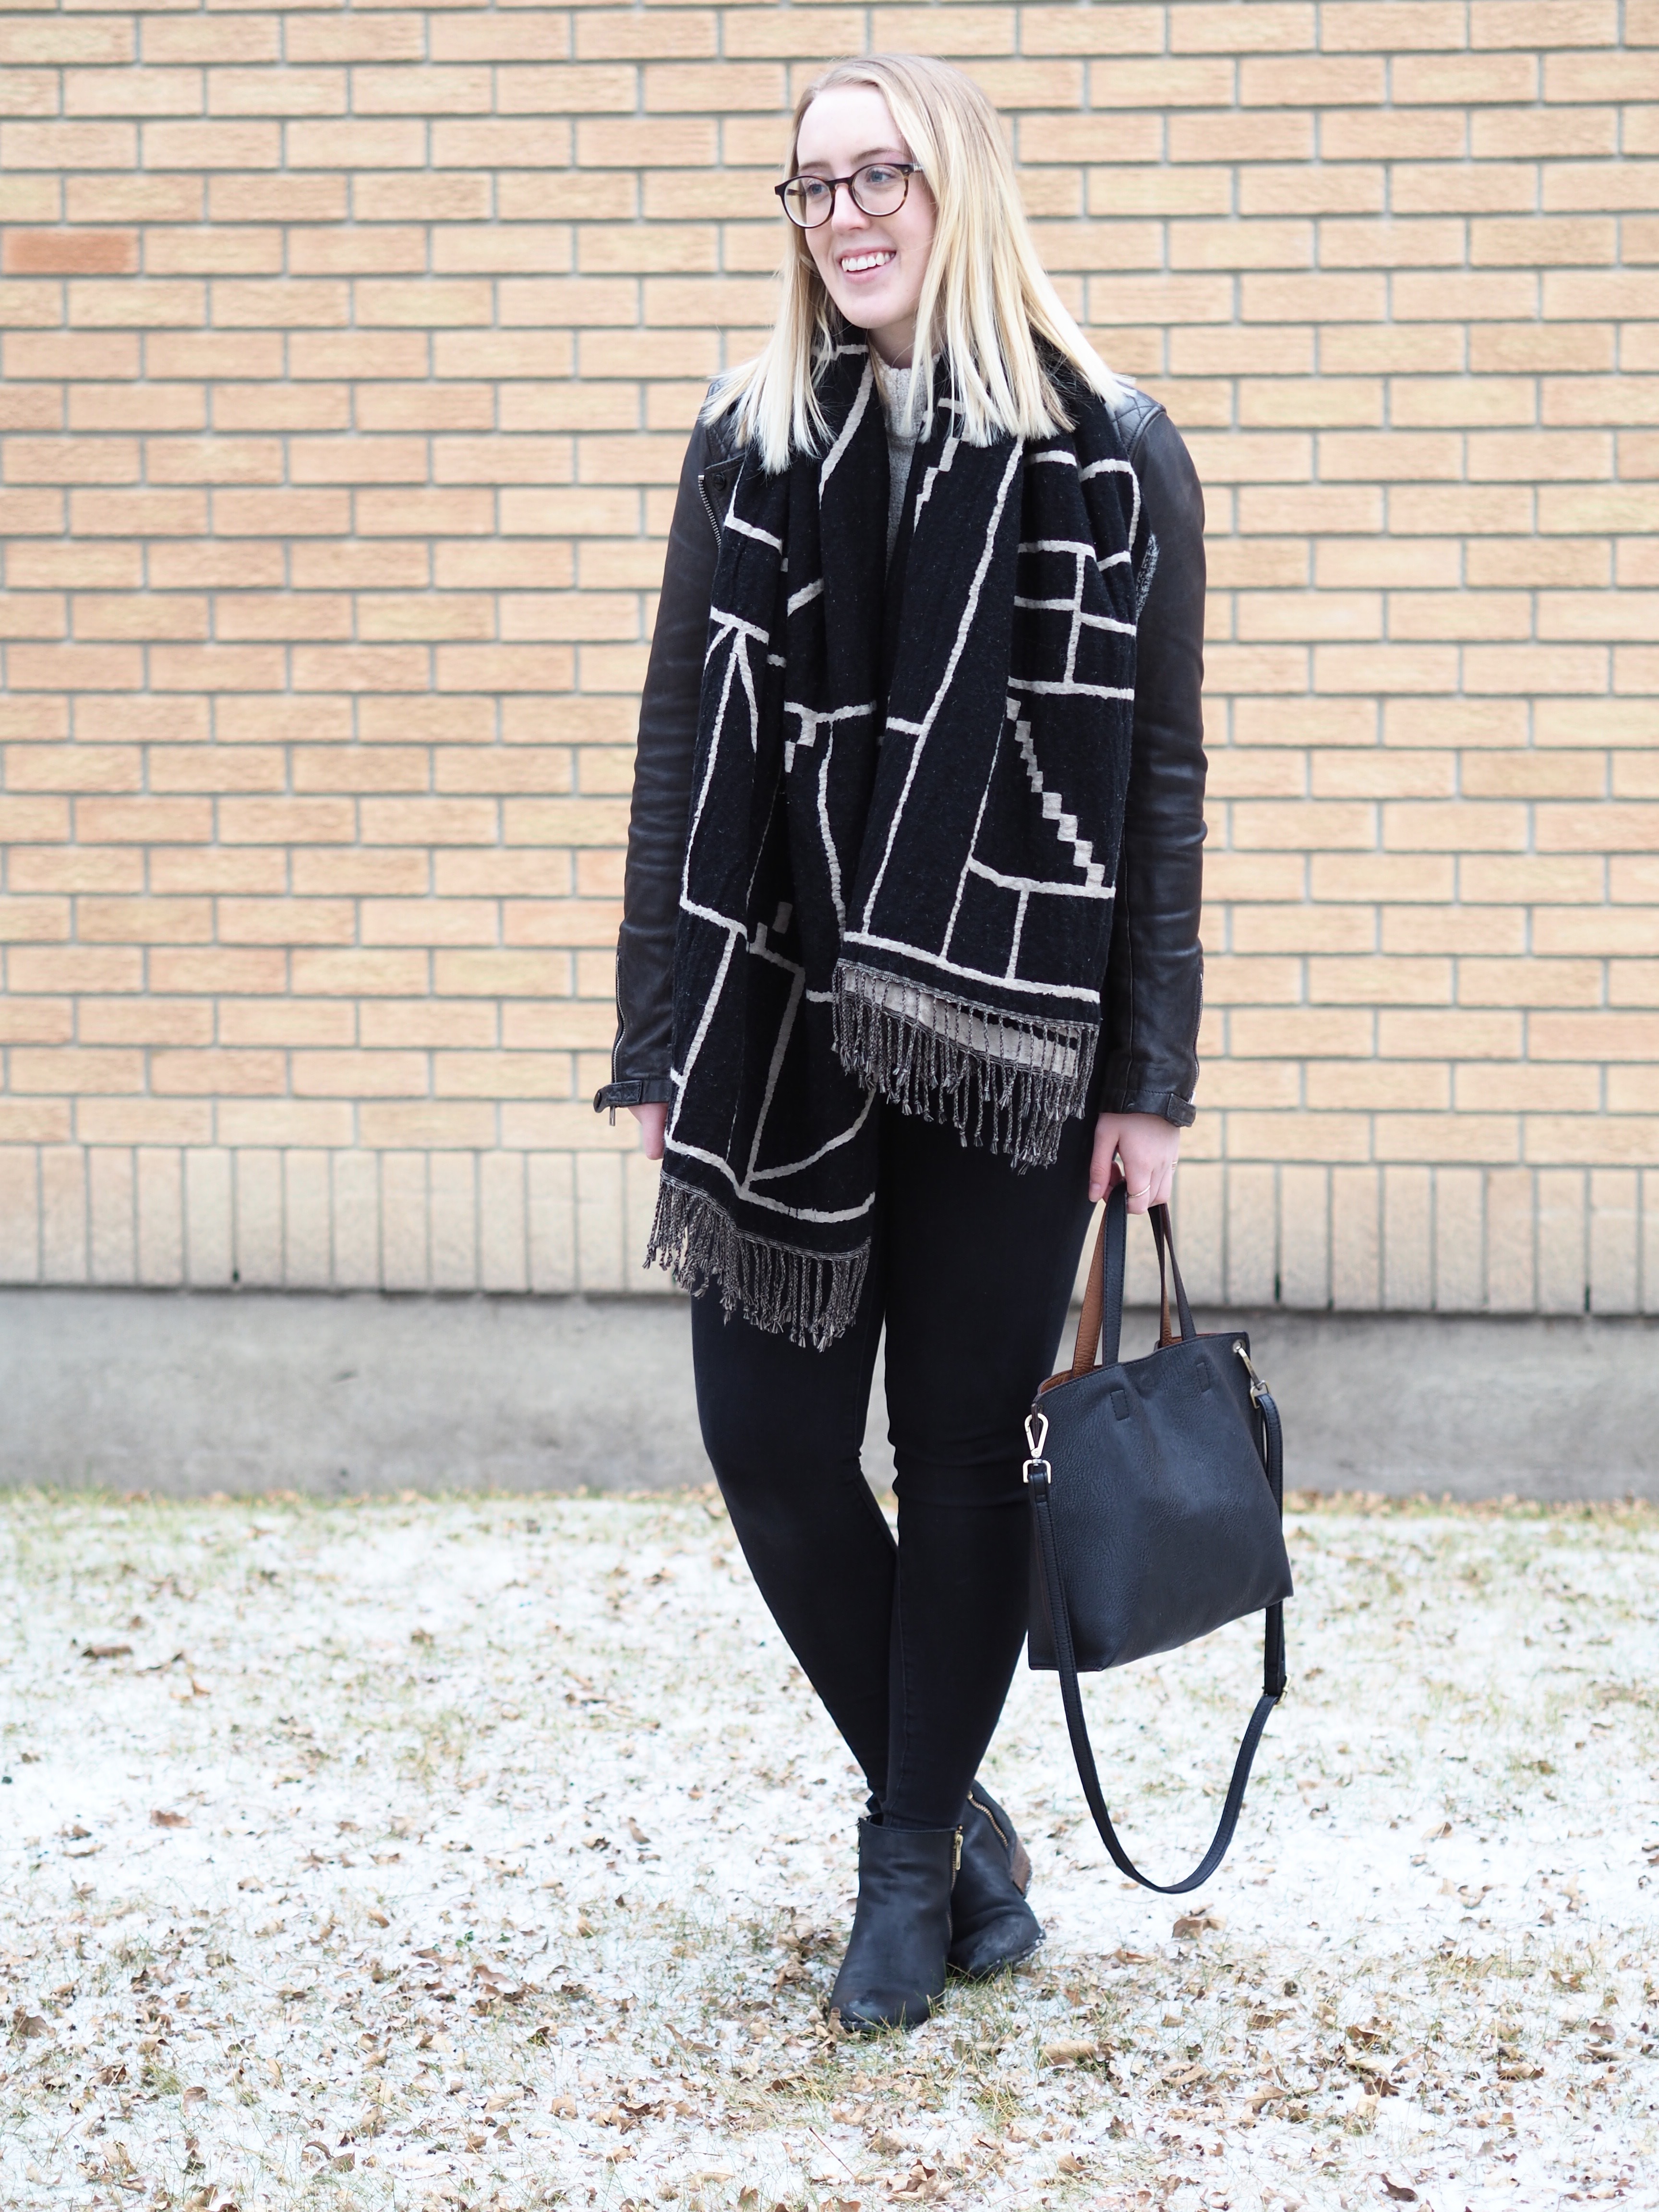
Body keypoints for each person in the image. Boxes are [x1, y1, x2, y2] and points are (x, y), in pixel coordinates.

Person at [595, 53, 1206, 2031]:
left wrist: (1150, 1079)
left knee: (959, 1450)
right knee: (769, 1442)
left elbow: (1163, 784)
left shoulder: (1112, 455)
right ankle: (964, 1833)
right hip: (783, 1011)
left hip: (1015, 1040)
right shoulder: (744, 441)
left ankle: (901, 1868)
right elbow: (681, 743)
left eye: (882, 173)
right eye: (811, 184)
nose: (846, 211)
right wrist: (666, 1024)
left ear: (959, 188)